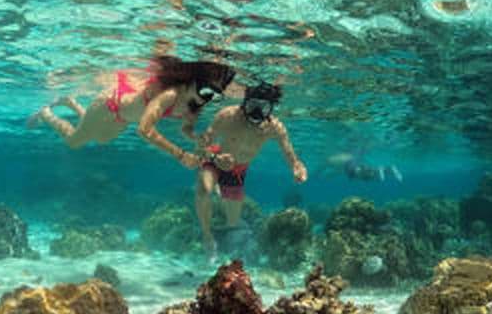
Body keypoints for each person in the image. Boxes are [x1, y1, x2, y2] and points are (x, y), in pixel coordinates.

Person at [26, 56, 236, 168]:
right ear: (193, 80)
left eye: (214, 96)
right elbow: (144, 130)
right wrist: (180, 155)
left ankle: (70, 102)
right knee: (73, 142)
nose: (206, 98)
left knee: (101, 139)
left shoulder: (196, 103)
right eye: (205, 90)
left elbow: (187, 129)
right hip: (109, 105)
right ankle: (46, 112)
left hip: (123, 118)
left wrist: (198, 140)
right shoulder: (170, 95)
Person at [195, 81, 307, 255]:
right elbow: (201, 146)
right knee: (204, 190)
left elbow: (290, 153)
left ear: (271, 109)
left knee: (232, 222)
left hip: (238, 170)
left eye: (263, 107)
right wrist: (215, 157)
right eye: (252, 105)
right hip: (216, 159)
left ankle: (221, 191)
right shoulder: (228, 116)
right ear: (244, 102)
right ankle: (207, 236)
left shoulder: (275, 127)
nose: (256, 112)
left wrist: (297, 167)